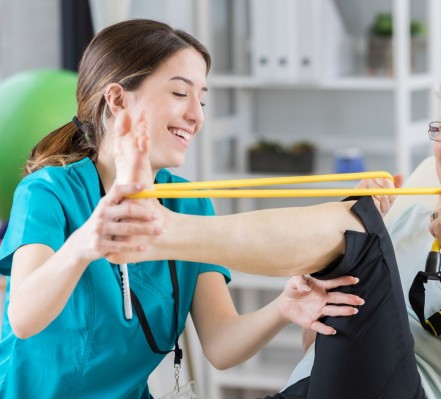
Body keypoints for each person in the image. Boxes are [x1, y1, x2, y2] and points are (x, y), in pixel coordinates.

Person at [111, 47, 441, 398]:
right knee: (357, 224)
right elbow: (318, 339)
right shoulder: (412, 215)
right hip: (315, 388)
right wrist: (320, 280)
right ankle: (162, 230)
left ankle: (161, 231)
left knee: (357, 229)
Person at [0, 19, 365, 398]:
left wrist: (284, 307)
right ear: (118, 99)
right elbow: (23, 319)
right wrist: (84, 244)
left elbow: (221, 344)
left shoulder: (189, 203)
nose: (197, 115)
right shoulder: (48, 192)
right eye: (179, 93)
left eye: (202, 99)